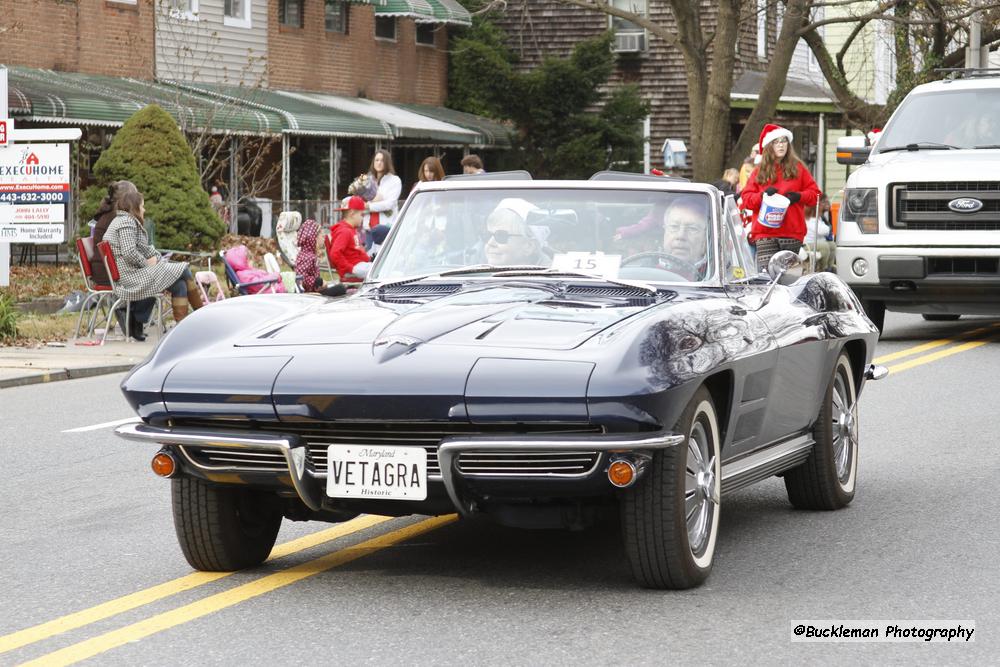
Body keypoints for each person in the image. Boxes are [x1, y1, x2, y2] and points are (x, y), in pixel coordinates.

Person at [103, 190, 203, 337]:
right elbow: (129, 252)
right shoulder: (125, 222)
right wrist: (147, 264)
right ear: (134, 206)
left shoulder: (126, 221)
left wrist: (156, 257)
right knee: (184, 269)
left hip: (133, 273)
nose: (144, 209)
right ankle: (201, 314)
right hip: (130, 277)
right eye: (142, 206)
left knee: (180, 284)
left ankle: (182, 329)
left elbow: (144, 248)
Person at [740, 123, 820, 272]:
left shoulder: (798, 168)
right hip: (765, 233)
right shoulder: (759, 171)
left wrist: (799, 196)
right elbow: (746, 200)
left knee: (788, 278)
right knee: (766, 276)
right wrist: (762, 196)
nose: (781, 145)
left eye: (784, 141)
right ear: (769, 146)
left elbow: (816, 195)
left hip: (791, 232)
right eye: (776, 142)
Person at [483, 198, 549, 266]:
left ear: (529, 246)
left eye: (501, 236)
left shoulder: (555, 275)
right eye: (488, 235)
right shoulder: (475, 273)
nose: (490, 243)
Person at [660, 195, 711, 281]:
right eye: (674, 227)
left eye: (692, 229)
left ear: (705, 238)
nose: (681, 236)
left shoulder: (714, 276)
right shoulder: (642, 273)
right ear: (664, 232)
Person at [329, 195, 373, 278]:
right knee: (383, 272)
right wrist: (350, 268)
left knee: (382, 268)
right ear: (352, 214)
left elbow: (358, 252)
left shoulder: (350, 229)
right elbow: (335, 254)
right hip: (353, 268)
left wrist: (369, 259)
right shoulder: (344, 231)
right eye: (361, 215)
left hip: (358, 265)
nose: (362, 218)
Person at [363, 149, 402, 230]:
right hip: (368, 227)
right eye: (376, 160)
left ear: (387, 163)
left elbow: (389, 204)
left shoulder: (394, 180)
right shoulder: (368, 180)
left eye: (382, 160)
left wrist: (369, 206)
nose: (379, 163)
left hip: (386, 227)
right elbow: (362, 205)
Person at [294, 218, 323, 292]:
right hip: (309, 295)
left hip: (315, 290)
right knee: (339, 289)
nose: (323, 237)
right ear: (313, 238)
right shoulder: (307, 257)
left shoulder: (310, 254)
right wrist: (317, 282)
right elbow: (300, 277)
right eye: (321, 235)